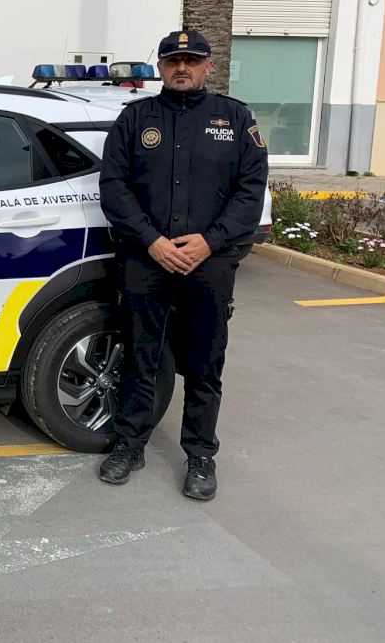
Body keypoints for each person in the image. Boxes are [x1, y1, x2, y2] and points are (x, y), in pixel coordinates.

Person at [97, 29, 268, 500]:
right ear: (160, 67)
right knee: (140, 356)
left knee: (204, 363)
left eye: (192, 60)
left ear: (208, 66)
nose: (182, 68)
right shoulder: (135, 119)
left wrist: (209, 242)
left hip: (208, 263)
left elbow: (251, 191)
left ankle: (200, 455)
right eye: (173, 60)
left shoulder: (235, 119)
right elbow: (113, 186)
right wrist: (151, 240)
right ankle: (130, 445)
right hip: (147, 260)